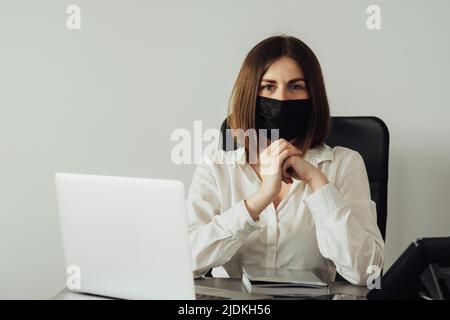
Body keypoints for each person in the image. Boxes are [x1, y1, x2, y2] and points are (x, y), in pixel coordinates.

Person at [186, 35, 384, 286]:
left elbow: (368, 273)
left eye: (295, 86)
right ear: (250, 94)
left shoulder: (345, 164)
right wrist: (260, 198)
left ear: (312, 95)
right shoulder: (216, 166)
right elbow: (185, 261)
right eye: (268, 87)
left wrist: (317, 182)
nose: (282, 99)